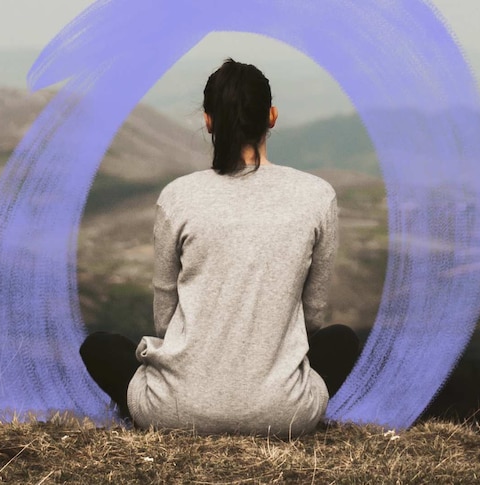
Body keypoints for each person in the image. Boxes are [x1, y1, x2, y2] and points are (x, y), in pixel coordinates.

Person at [79, 59, 360, 436]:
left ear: (209, 121)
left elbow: (165, 319)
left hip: (173, 411)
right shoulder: (317, 196)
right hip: (283, 414)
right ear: (271, 116)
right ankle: (272, 402)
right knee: (341, 340)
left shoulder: (177, 196)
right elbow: (313, 317)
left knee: (99, 346)